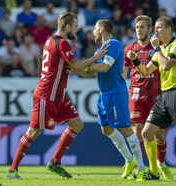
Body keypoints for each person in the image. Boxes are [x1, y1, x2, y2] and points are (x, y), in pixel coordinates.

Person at [7, 12, 109, 180]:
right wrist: (96, 58)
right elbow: (77, 67)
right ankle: (13, 169)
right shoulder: (62, 44)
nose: (77, 28)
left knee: (77, 124)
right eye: (75, 25)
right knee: (33, 132)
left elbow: (76, 69)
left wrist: (95, 70)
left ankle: (55, 161)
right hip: (46, 95)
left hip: (59, 96)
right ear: (67, 27)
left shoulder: (50, 40)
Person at [126, 16, 176, 181]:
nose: (155, 31)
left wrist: (156, 50)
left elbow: (167, 65)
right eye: (155, 28)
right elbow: (146, 72)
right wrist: (134, 59)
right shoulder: (161, 49)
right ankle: (153, 173)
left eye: (159, 27)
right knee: (147, 133)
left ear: (169, 29)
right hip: (164, 96)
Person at [69, 19, 148, 182]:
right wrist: (72, 68)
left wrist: (81, 65)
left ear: (102, 29)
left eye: (95, 29)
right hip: (104, 94)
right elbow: (89, 73)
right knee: (106, 129)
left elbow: (104, 68)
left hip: (116, 93)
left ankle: (141, 168)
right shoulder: (100, 49)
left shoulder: (115, 45)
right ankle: (130, 160)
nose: (93, 32)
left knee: (126, 130)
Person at [122, 15, 173, 180]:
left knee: (159, 136)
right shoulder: (129, 49)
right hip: (136, 97)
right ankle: (141, 168)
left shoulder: (158, 48)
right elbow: (122, 75)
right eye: (137, 27)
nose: (139, 30)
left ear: (150, 29)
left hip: (156, 98)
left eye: (143, 27)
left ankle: (161, 163)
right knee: (138, 133)